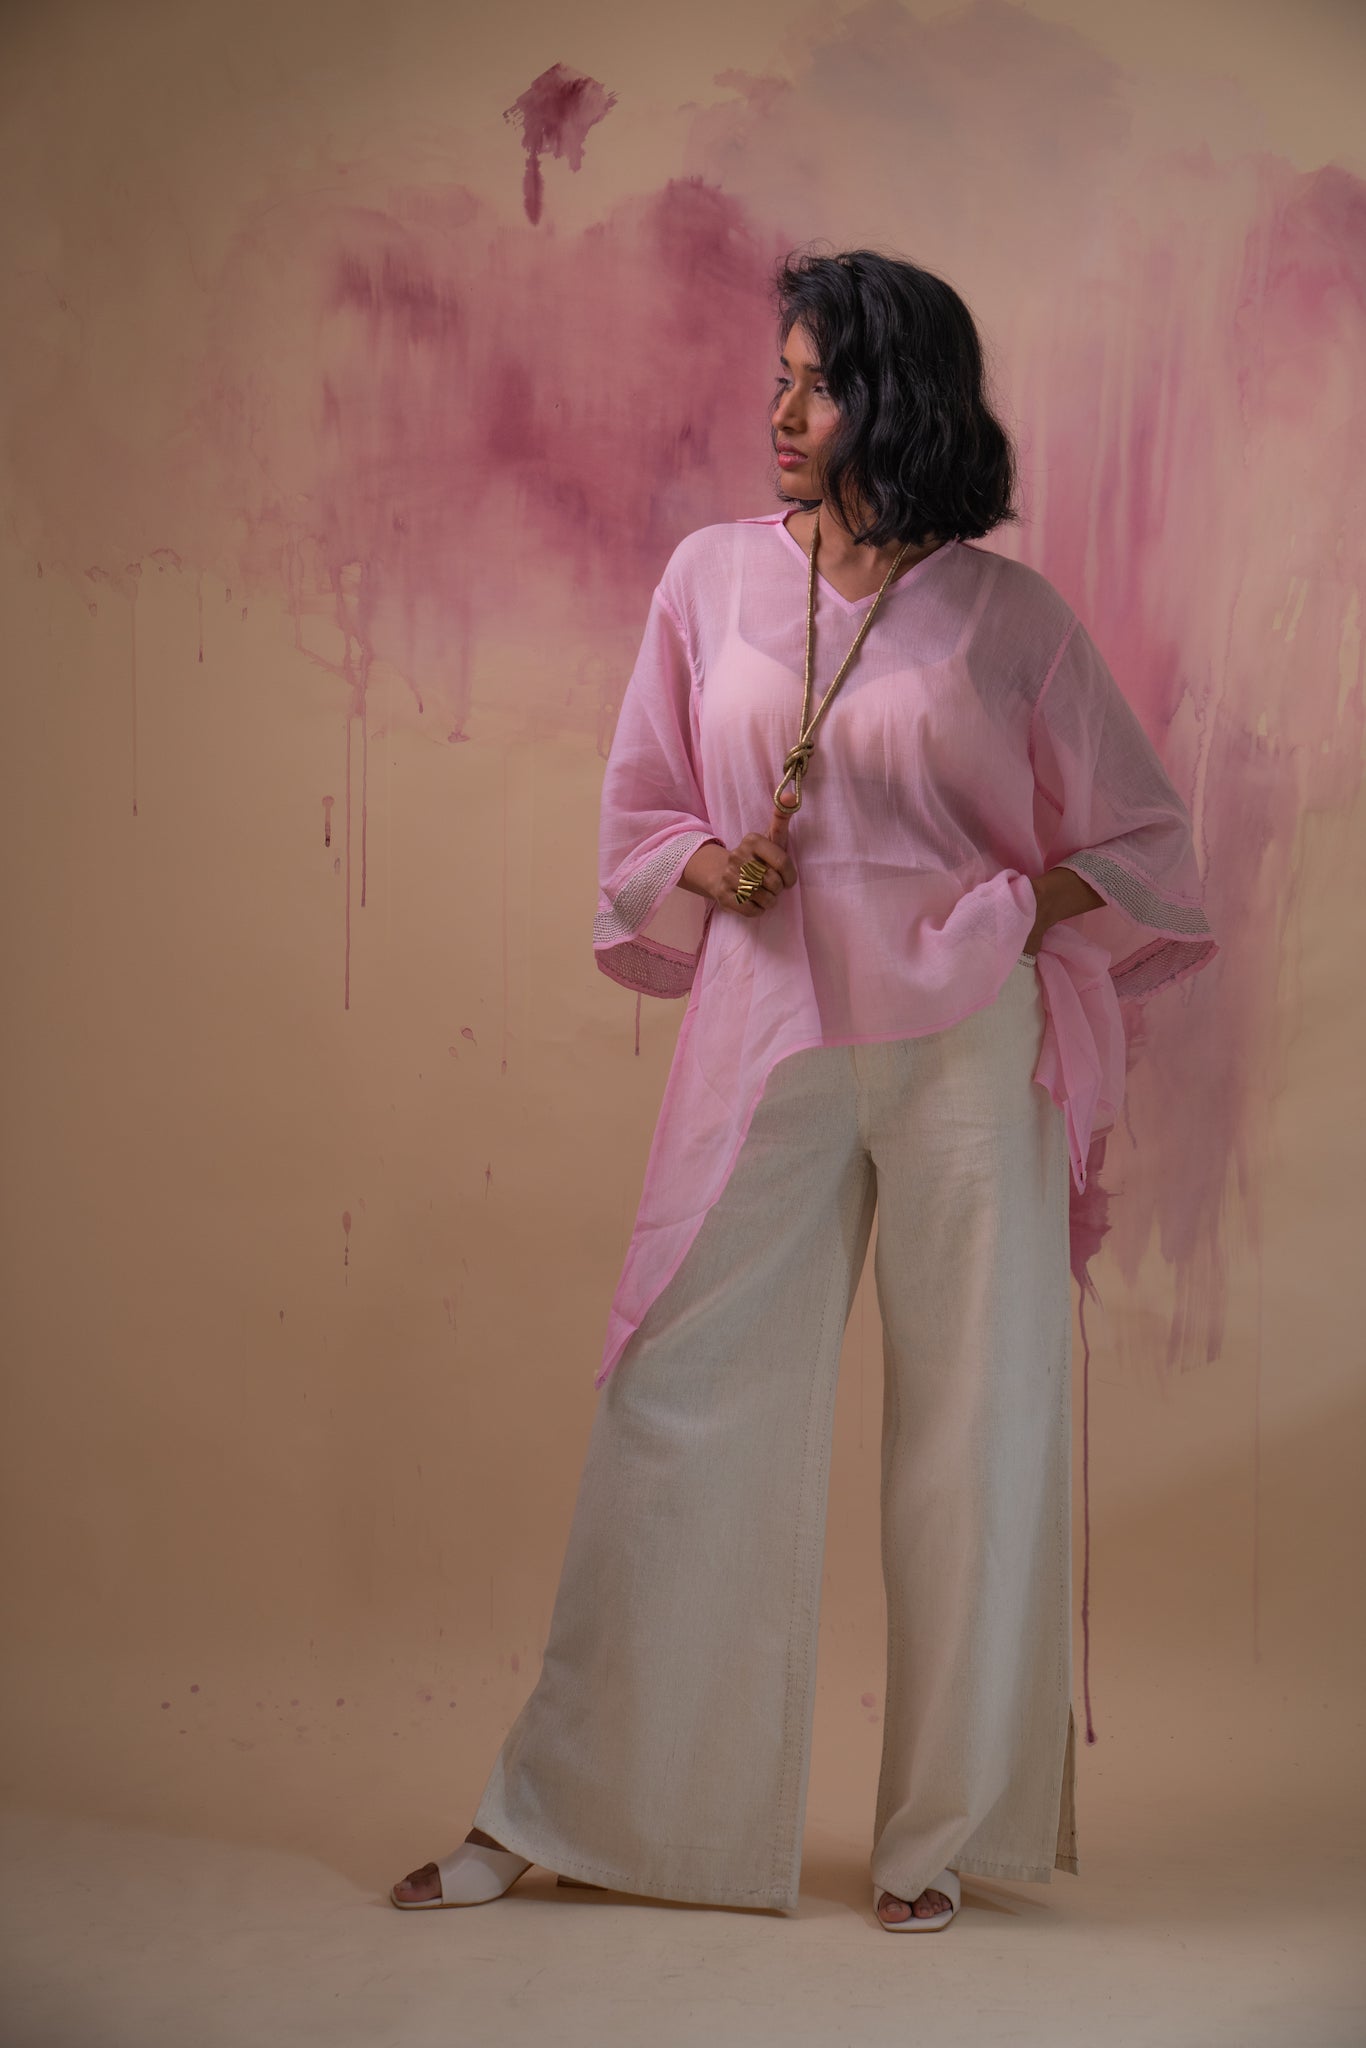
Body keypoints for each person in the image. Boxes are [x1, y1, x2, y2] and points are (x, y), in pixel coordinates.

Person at [390, 249, 1218, 1930]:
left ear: (896, 402)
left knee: (974, 1424)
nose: (780, 412)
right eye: (775, 376)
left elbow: (1143, 840)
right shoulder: (707, 578)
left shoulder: (1007, 617)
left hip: (968, 1045)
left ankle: (933, 1841)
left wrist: (1007, 914)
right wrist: (716, 864)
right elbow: (641, 815)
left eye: (818, 384)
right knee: (677, 1400)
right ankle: (569, 1812)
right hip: (767, 1025)